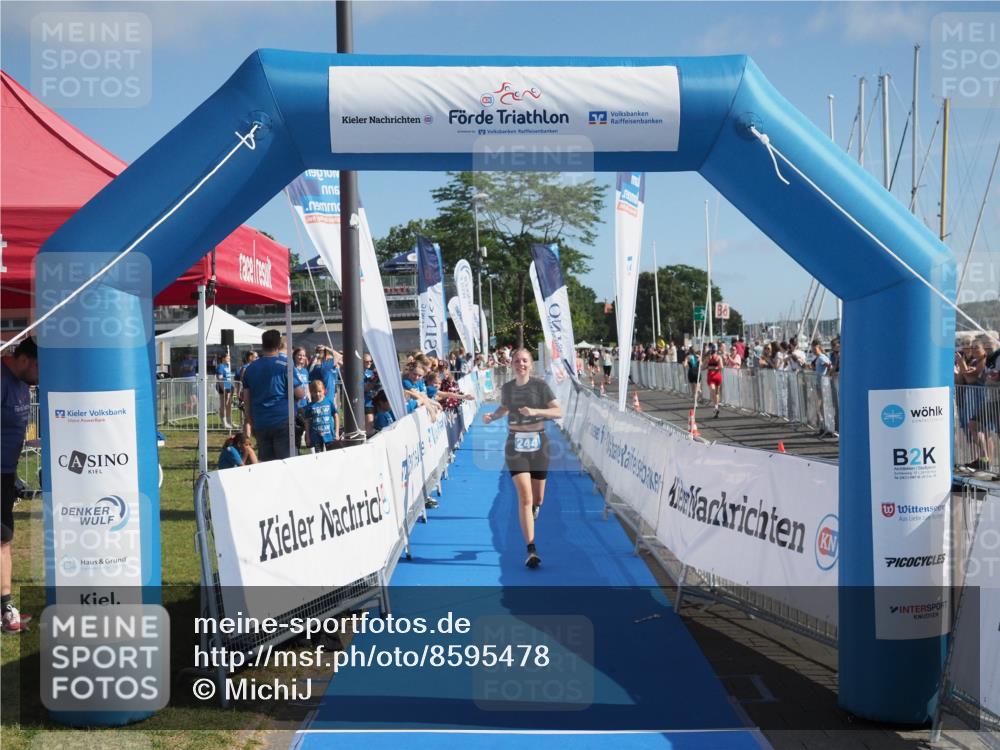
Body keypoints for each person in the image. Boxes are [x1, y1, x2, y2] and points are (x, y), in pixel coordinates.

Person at [483, 348, 562, 569]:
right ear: (512, 364)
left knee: (538, 499)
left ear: (530, 364)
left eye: (525, 360)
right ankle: (531, 549)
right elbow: (505, 407)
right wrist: (493, 416)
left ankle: (535, 508)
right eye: (517, 361)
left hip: (539, 445)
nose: (521, 364)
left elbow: (558, 412)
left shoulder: (540, 386)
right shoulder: (508, 388)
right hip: (515, 446)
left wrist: (536, 411)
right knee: (525, 497)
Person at [1, 337, 38, 633]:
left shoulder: (23, 385)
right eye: (40, 367)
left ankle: (5, 608)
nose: (43, 375)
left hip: (6, 474)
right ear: (23, 359)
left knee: (4, 540)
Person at [241, 330, 292, 461]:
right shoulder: (285, 365)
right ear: (278, 345)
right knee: (285, 462)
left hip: (261, 421)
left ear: (263, 344)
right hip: (282, 420)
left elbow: (246, 400)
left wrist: (250, 421)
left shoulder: (250, 368)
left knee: (267, 463)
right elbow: (299, 392)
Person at [302, 380, 338, 451]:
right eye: (315, 392)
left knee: (331, 453)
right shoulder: (310, 406)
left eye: (319, 391)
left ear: (324, 390)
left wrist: (336, 432)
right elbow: (307, 422)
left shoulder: (329, 402)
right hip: (316, 437)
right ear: (311, 393)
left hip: (329, 436)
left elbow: (336, 415)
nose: (317, 394)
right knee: (319, 455)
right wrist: (308, 437)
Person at [216, 352, 235, 429]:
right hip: (222, 385)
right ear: (223, 358)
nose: (229, 358)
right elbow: (219, 378)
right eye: (228, 357)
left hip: (228, 384)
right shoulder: (220, 366)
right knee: (223, 404)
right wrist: (223, 389)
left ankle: (229, 421)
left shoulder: (226, 365)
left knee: (229, 404)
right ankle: (224, 423)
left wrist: (231, 386)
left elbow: (227, 377)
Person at [705, 344, 723, 417]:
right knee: (715, 392)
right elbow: (703, 366)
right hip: (714, 376)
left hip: (714, 376)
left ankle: (716, 407)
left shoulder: (718, 357)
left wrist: (711, 367)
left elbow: (721, 367)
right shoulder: (709, 358)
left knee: (715, 392)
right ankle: (716, 408)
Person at [363, 354, 379, 436]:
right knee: (368, 428)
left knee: (371, 425)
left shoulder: (370, 372)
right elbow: (365, 388)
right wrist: (374, 379)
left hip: (372, 402)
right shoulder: (359, 373)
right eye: (367, 361)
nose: (369, 363)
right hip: (364, 403)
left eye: (371, 361)